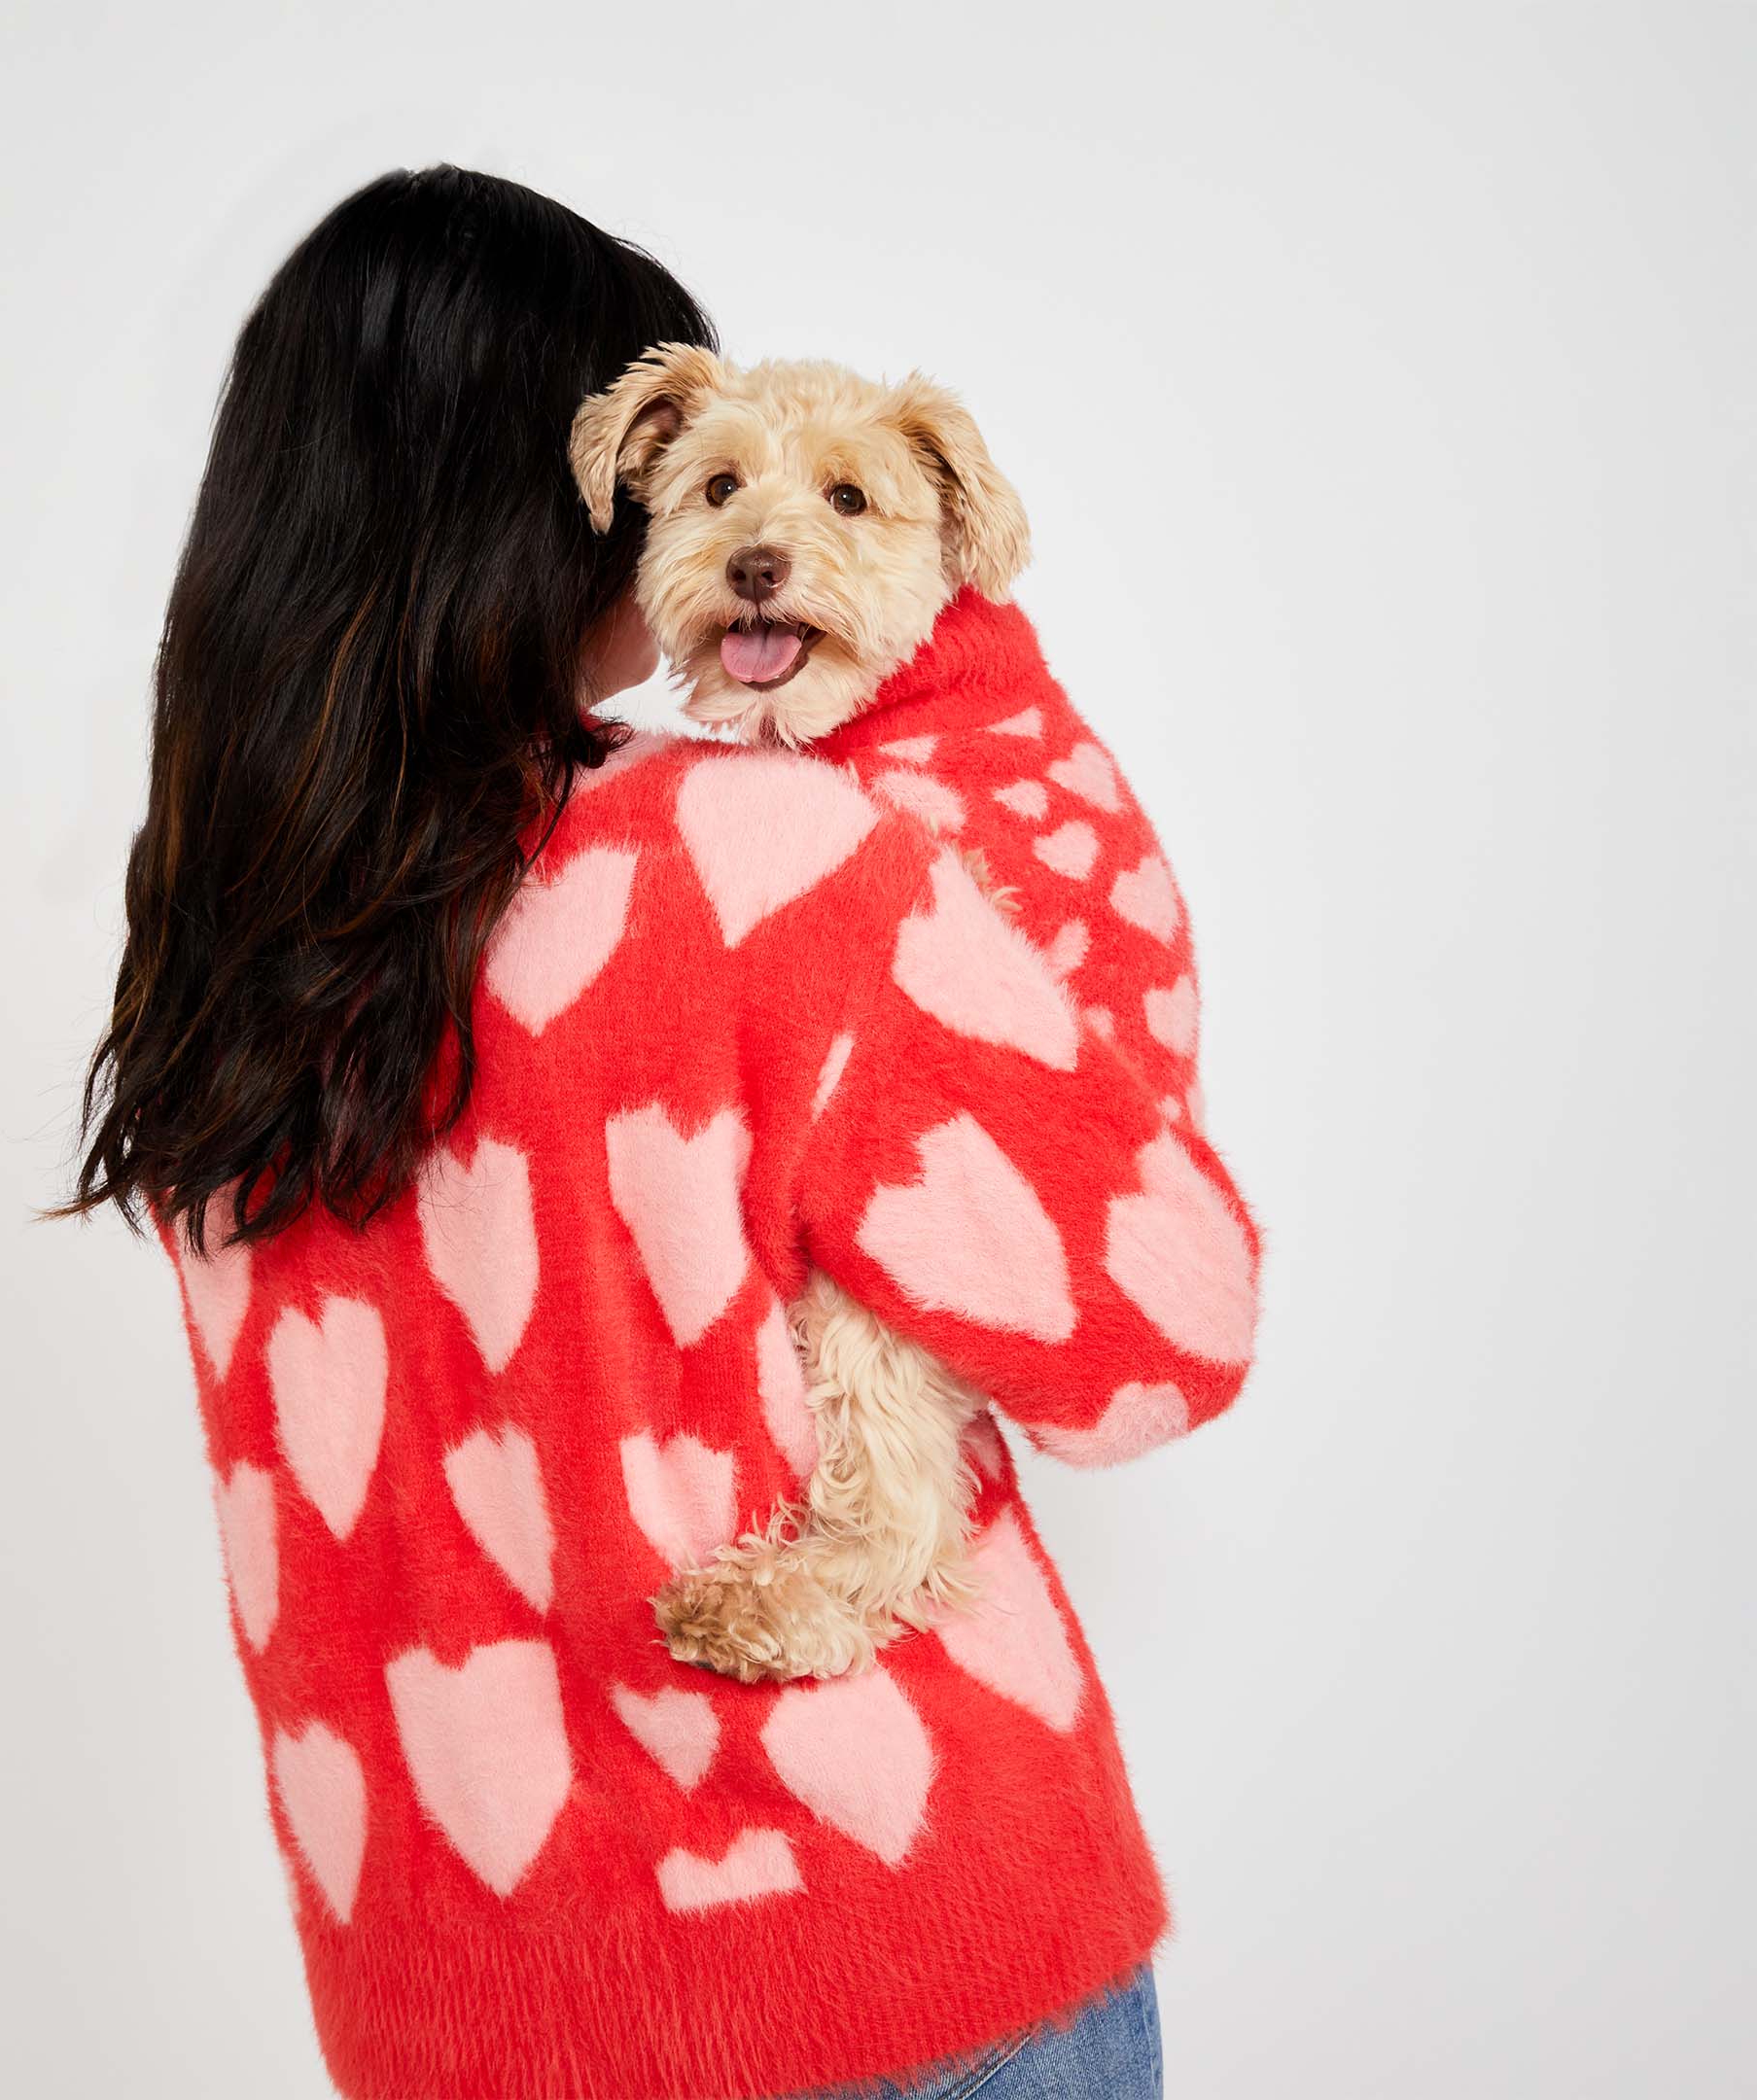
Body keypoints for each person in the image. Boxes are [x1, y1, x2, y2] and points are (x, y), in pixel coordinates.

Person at [66, 165, 1257, 2100]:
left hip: (468, 2017)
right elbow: (1163, 1336)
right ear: (560, 496)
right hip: (890, 1952)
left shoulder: (219, 971)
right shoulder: (769, 855)